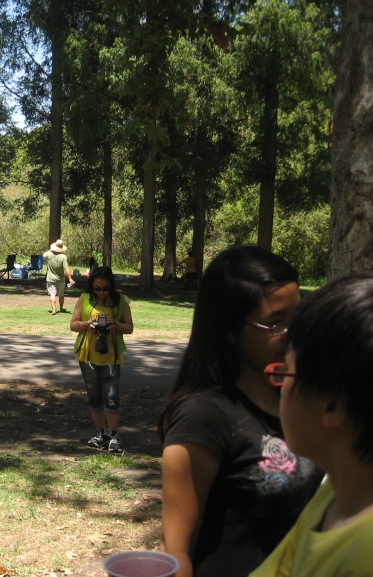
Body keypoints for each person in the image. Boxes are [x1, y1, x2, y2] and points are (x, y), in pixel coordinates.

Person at [157, 246, 323, 577]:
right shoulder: (203, 417)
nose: (295, 333)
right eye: (276, 323)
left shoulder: (299, 397)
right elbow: (176, 553)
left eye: (299, 316)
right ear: (230, 330)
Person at [250, 275, 373, 576]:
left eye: (287, 373)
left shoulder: (363, 555)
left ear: (331, 404)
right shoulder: (335, 492)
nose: (279, 386)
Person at [70, 266, 134, 453]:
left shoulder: (121, 301)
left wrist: (117, 325)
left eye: (105, 289)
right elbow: (73, 325)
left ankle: (114, 435)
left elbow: (129, 328)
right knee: (94, 397)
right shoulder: (84, 299)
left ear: (111, 287)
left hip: (111, 356)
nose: (101, 292)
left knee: (112, 397)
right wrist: (85, 325)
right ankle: (101, 433)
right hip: (88, 355)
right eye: (96, 288)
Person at [43, 239, 75, 315]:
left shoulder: (49, 255)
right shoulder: (63, 257)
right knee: (61, 294)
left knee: (52, 294)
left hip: (51, 278)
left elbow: (44, 255)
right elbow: (66, 268)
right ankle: (61, 308)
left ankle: (54, 310)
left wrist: (51, 249)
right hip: (61, 279)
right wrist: (70, 278)